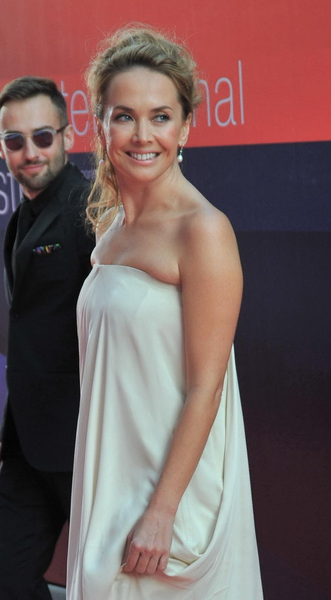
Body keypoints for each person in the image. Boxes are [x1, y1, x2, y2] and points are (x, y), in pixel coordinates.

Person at [67, 26, 264, 599]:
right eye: (124, 116)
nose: (142, 134)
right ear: (100, 125)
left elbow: (207, 386)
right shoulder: (110, 227)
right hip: (111, 478)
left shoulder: (203, 230)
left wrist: (162, 510)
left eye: (160, 116)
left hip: (169, 501)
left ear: (185, 127)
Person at [0, 76, 94, 600]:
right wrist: (11, 431)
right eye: (15, 140)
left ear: (68, 136)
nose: (30, 152)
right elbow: (32, 338)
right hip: (27, 447)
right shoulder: (18, 221)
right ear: (1, 147)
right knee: (9, 585)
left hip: (86, 443)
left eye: (43, 137)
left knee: (104, 586)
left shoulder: (90, 209)